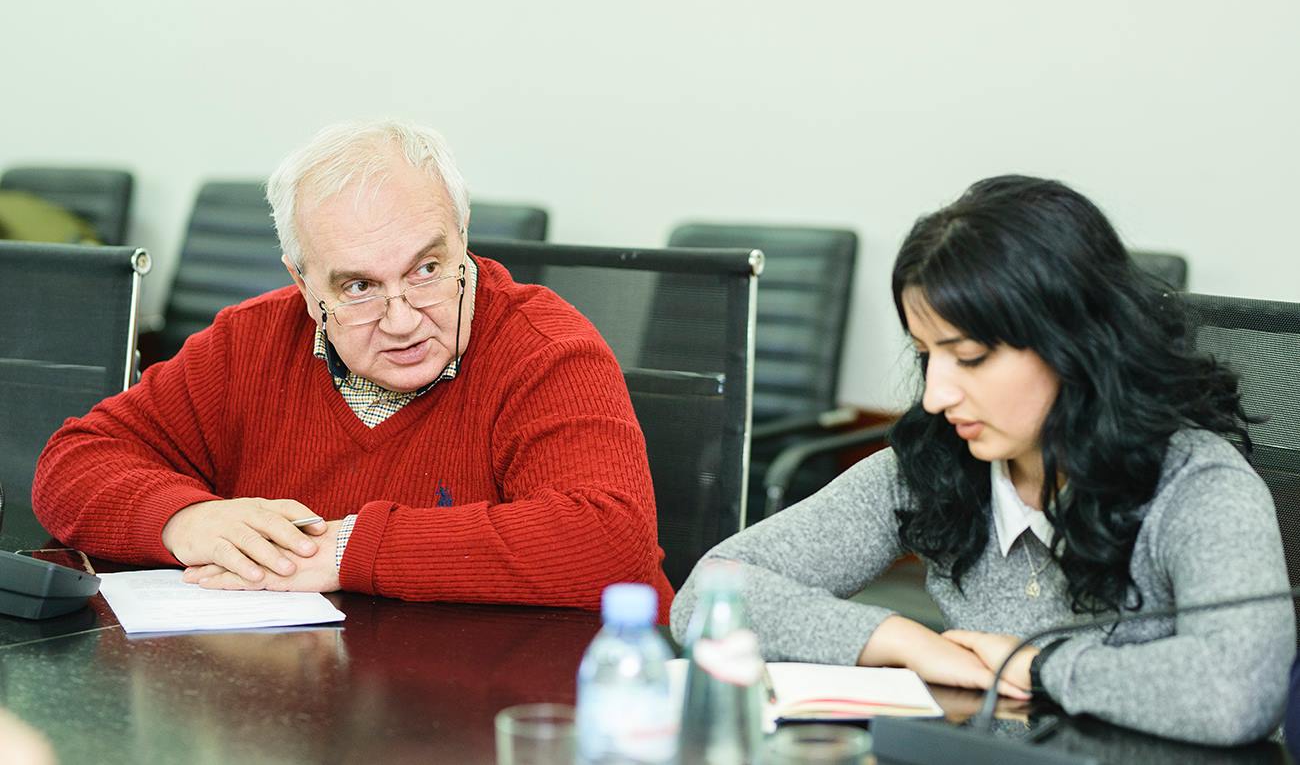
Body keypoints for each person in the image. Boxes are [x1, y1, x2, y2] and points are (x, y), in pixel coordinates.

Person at [669, 175, 1294, 744]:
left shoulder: (1197, 484)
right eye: (926, 356)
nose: (936, 397)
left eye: (969, 357)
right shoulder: (936, 464)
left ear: (1074, 344)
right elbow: (705, 596)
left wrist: (1039, 666)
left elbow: (1240, 690)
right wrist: (898, 639)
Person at [33, 119, 673, 618]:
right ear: (304, 285)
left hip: (523, 709)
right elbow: (73, 463)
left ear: (462, 237)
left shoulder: (545, 348)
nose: (402, 319)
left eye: (427, 269)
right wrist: (184, 520)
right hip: (310, 698)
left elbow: (609, 540)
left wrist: (346, 549)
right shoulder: (249, 341)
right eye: (359, 287)